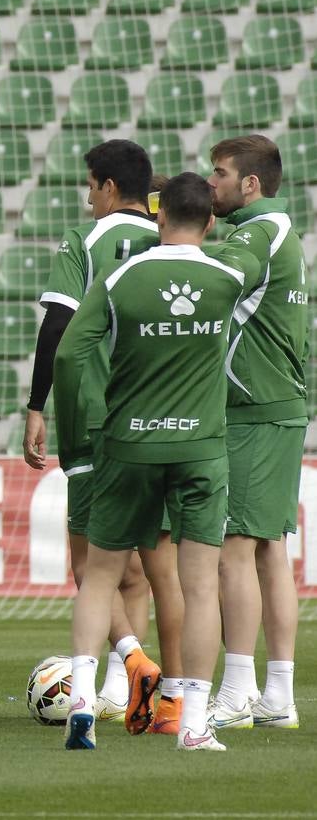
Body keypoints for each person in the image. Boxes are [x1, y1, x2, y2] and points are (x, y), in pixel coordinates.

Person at [56, 172, 252, 752]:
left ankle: (85, 698)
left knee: (100, 577)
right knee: (197, 587)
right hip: (199, 447)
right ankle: (191, 720)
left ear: (158, 217)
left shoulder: (121, 275)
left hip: (127, 445)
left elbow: (70, 355)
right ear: (211, 221)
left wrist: (73, 439)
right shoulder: (230, 276)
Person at [23, 139, 173, 733]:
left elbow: (58, 326)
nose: (87, 197)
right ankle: (123, 688)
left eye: (89, 185)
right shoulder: (172, 239)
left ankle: (132, 662)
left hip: (91, 414)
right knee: (138, 565)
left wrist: (36, 407)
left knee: (90, 565)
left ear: (109, 186)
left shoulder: (84, 242)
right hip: (158, 415)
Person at [205, 136, 303, 732]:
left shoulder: (253, 236)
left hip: (253, 409)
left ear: (250, 185)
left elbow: (215, 287)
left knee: (234, 551)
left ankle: (238, 690)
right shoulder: (279, 233)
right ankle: (279, 694)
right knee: (270, 552)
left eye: (219, 174)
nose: (210, 183)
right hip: (278, 406)